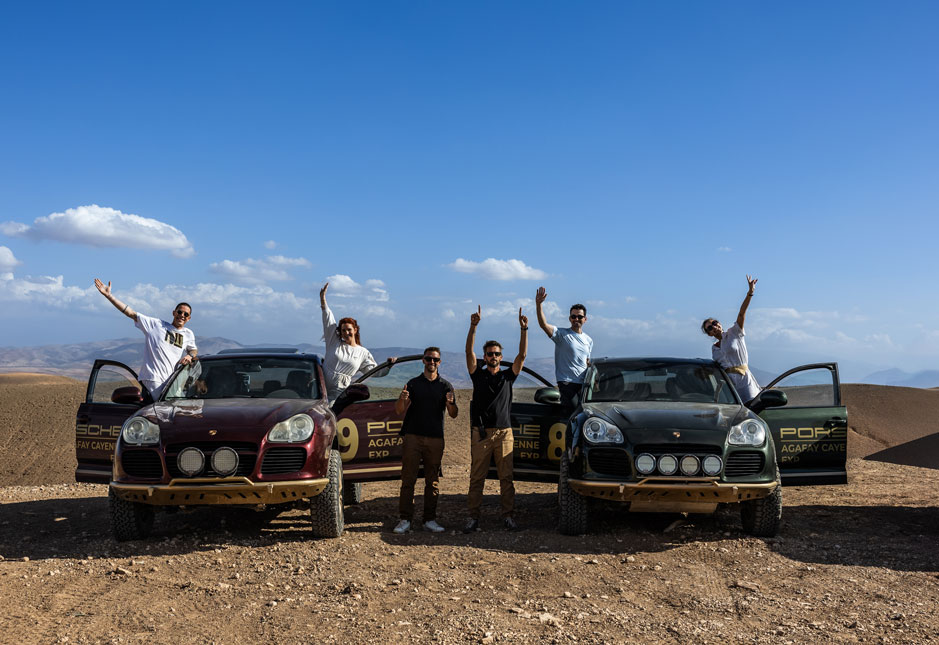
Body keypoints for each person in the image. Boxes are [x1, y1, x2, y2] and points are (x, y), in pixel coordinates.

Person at [463, 305, 528, 533]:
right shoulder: (477, 375)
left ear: (501, 357)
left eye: (497, 354)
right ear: (485, 356)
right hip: (481, 433)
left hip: (504, 433)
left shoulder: (508, 377)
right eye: (490, 354)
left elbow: (522, 356)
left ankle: (508, 517)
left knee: (506, 478)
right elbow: (468, 354)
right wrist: (473, 327)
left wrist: (524, 330)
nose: (493, 357)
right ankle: (473, 517)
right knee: (476, 477)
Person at [94, 278, 197, 400]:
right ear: (174, 312)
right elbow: (131, 313)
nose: (182, 316)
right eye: (180, 312)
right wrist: (109, 296)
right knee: (162, 411)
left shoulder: (188, 334)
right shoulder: (156, 325)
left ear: (189, 318)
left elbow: (193, 350)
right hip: (153, 379)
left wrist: (190, 356)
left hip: (172, 382)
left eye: (186, 314)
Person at [392, 347, 458, 534]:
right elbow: (399, 409)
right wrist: (402, 399)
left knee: (433, 481)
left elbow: (453, 414)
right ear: (423, 360)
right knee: (408, 480)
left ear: (440, 362)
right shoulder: (413, 384)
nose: (432, 363)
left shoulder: (445, 386)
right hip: (413, 436)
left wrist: (450, 403)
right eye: (429, 359)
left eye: (435, 360)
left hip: (435, 439)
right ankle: (405, 519)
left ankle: (429, 519)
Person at [319, 282, 391, 402]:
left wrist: (389, 365)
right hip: (321, 393)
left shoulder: (362, 353)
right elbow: (328, 319)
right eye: (343, 330)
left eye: (349, 330)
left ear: (355, 330)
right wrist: (323, 300)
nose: (346, 333)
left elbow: (375, 372)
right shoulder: (334, 342)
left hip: (340, 396)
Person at [702, 275, 761, 403]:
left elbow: (741, 313)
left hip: (744, 380)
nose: (714, 326)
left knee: (751, 407)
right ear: (709, 334)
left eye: (715, 322)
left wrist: (750, 293)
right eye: (710, 328)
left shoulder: (734, 332)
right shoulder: (714, 349)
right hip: (728, 387)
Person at [535, 286, 593, 408]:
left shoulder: (589, 340)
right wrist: (539, 304)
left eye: (579, 317)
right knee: (572, 414)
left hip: (583, 385)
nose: (576, 319)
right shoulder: (561, 334)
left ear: (585, 319)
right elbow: (543, 324)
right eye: (573, 316)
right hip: (567, 383)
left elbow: (587, 362)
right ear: (569, 318)